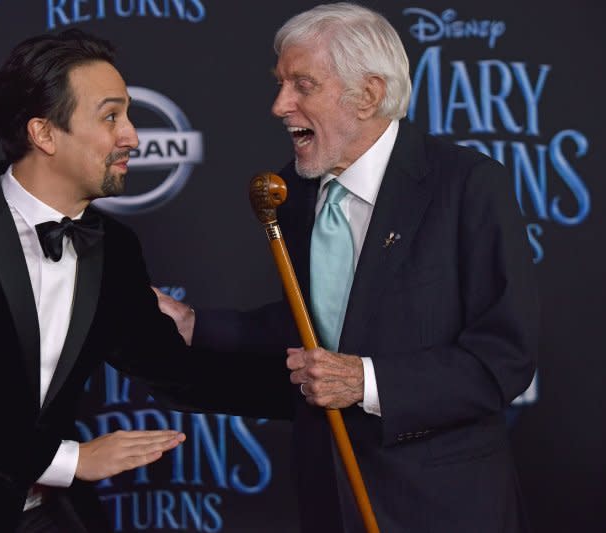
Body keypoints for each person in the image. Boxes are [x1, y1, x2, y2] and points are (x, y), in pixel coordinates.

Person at [0, 29, 291, 533]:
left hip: (43, 516)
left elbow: (174, 369)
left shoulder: (114, 247)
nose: (132, 137)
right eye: (111, 117)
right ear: (45, 134)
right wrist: (74, 461)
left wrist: (323, 393)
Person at [154, 3, 539, 532]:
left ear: (369, 94)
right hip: (327, 497)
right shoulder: (292, 193)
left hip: (440, 504)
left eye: (302, 85)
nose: (279, 105)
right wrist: (197, 326)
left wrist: (368, 381)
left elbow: (504, 358)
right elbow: (316, 322)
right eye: (281, 84)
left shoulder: (467, 185)